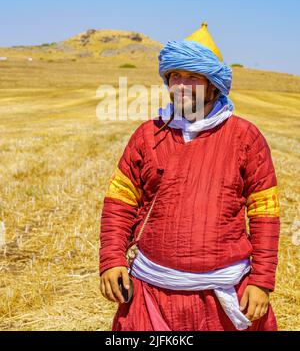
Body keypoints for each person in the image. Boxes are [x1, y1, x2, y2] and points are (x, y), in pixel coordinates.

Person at [99, 22, 280, 331]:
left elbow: (265, 215)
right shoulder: (148, 135)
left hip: (223, 294)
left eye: (192, 77)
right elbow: (120, 204)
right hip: (151, 292)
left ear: (213, 85)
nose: (181, 85)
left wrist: (262, 280)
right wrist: (112, 258)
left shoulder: (245, 138)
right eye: (175, 76)